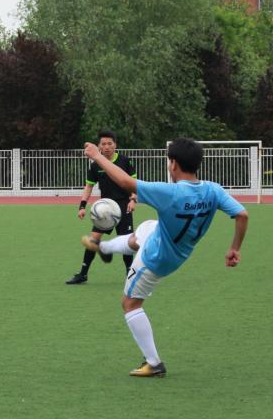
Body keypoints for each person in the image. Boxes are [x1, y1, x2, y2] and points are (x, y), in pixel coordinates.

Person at [81, 137, 248, 377]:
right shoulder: (213, 190)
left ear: (174, 164)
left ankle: (154, 363)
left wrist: (97, 156)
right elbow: (242, 215)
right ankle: (105, 248)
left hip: (157, 258)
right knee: (144, 230)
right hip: (177, 247)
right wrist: (235, 248)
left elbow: (126, 182)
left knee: (129, 304)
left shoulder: (169, 192)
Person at [66, 131, 138, 284]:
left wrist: (133, 200)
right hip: (105, 209)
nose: (106, 147)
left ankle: (130, 274)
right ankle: (83, 274)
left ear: (115, 145)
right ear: (98, 146)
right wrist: (82, 206)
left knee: (126, 241)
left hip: (124, 206)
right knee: (93, 240)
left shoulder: (125, 161)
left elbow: (134, 183)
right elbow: (89, 186)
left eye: (109, 143)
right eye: (103, 144)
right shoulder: (95, 165)